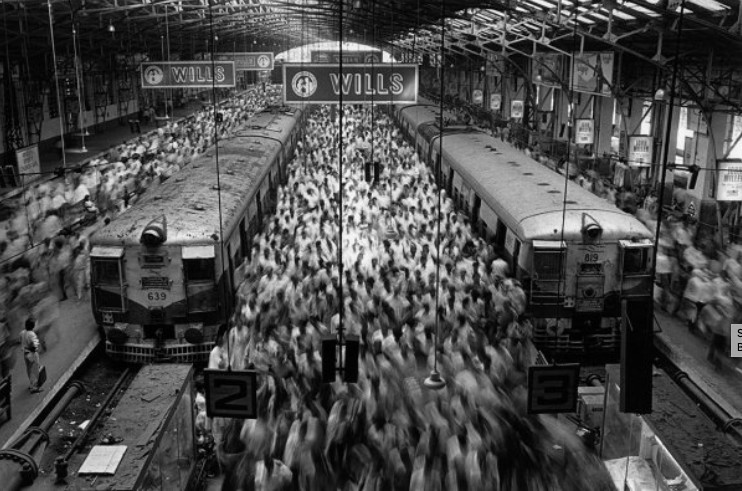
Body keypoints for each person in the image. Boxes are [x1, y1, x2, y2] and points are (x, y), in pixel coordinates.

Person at [20, 317, 43, 393]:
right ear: (32, 326)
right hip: (31, 353)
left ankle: (31, 384)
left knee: (29, 370)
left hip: (25, 353)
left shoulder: (22, 332)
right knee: (35, 370)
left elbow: (21, 341)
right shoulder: (32, 334)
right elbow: (34, 345)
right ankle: (34, 387)